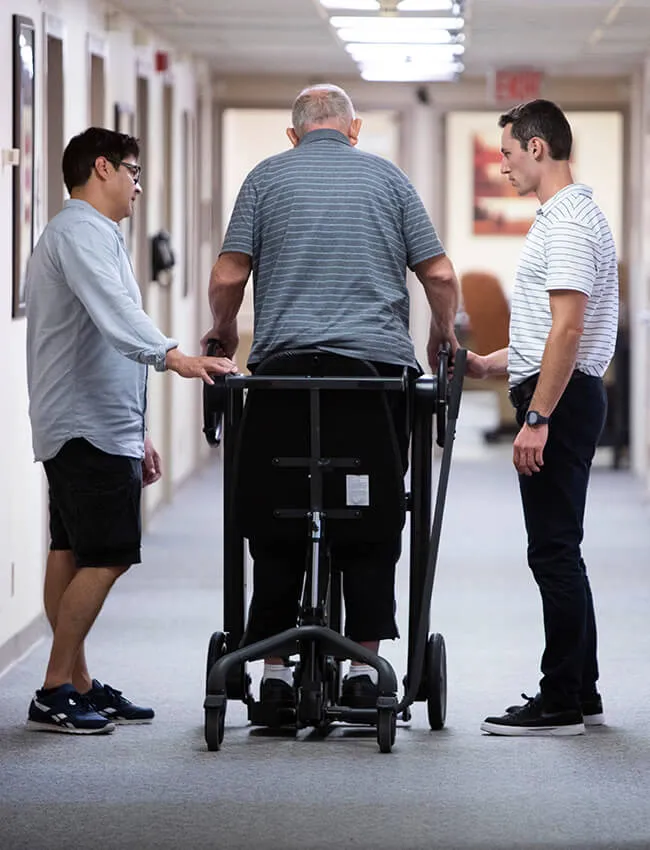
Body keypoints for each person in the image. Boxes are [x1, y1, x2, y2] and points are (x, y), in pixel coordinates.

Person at [202, 84, 460, 710]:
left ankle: (272, 670)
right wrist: (441, 334)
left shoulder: (265, 178)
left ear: (294, 135)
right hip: (369, 383)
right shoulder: (389, 181)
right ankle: (366, 665)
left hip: (283, 380)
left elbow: (228, 274)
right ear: (354, 128)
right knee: (369, 513)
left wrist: (225, 331)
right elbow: (441, 274)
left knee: (274, 510)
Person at [25, 127, 237, 735]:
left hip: (91, 422)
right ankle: (53, 686)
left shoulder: (92, 235)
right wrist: (179, 358)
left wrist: (136, 431)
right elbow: (121, 321)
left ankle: (76, 683)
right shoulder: (81, 235)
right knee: (110, 555)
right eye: (133, 171)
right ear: (102, 168)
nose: (138, 184)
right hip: (85, 426)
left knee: (71, 551)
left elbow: (106, 337)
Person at [465, 100, 618, 736]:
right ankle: (581, 691)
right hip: (562, 392)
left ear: (536, 148)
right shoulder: (562, 217)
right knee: (561, 550)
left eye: (506, 153)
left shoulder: (569, 224)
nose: (501, 166)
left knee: (552, 552)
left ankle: (559, 703)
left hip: (563, 401)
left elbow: (568, 330)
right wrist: (488, 365)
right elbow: (544, 336)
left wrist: (536, 416)